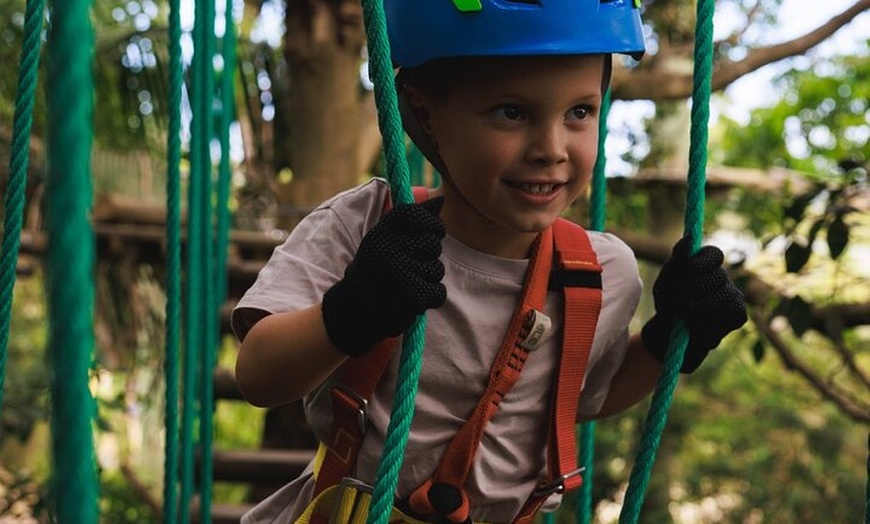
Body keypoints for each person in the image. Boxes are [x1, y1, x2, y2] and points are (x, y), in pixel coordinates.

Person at [231, 1, 747, 523]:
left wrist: (665, 343)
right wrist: (351, 311)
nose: (551, 148)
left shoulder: (598, 272)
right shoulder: (368, 226)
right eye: (511, 112)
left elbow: (588, 396)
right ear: (426, 115)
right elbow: (259, 375)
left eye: (580, 112)